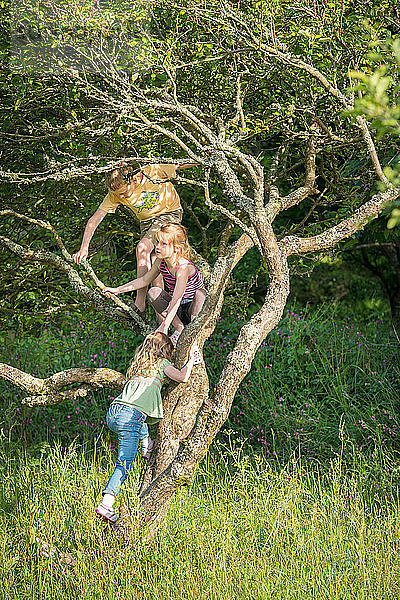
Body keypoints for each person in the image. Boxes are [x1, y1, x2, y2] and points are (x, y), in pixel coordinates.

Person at [96, 332, 198, 524]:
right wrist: (191, 359)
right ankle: (106, 504)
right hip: (131, 418)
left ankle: (146, 445)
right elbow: (183, 377)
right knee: (124, 464)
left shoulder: (139, 368)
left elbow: (159, 331)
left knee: (141, 415)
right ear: (164, 350)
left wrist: (166, 326)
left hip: (114, 412)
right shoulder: (162, 365)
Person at [73, 161, 197, 313]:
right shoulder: (115, 194)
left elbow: (178, 165)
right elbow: (94, 220)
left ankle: (139, 305)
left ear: (135, 179)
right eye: (119, 195)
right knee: (155, 263)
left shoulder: (151, 171)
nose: (122, 197)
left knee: (142, 248)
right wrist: (84, 248)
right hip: (147, 222)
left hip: (168, 213)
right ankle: (162, 319)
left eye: (124, 193)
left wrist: (202, 158)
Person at [102, 223, 207, 346]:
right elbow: (144, 280)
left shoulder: (183, 268)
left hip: (192, 308)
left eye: (163, 244)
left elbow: (177, 299)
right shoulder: (160, 262)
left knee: (201, 294)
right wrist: (117, 290)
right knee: (153, 292)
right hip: (177, 311)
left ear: (176, 248)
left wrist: (165, 325)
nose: (157, 247)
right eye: (157, 242)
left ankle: (193, 338)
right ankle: (180, 329)